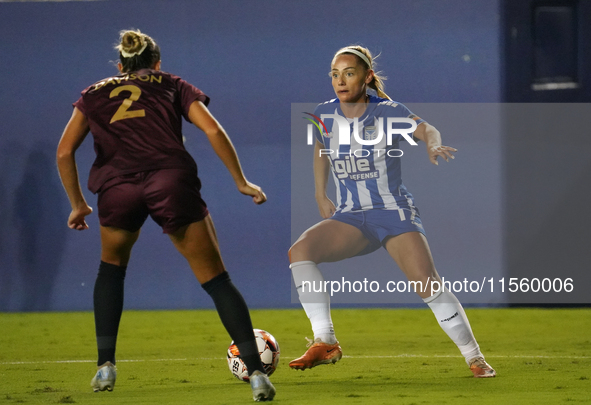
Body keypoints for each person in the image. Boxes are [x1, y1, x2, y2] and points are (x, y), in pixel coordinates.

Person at [56, 29, 276, 401]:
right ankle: (257, 374)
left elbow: (64, 152)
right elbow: (212, 128)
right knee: (217, 280)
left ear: (121, 65)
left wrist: (78, 203)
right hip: (169, 181)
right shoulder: (171, 83)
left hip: (117, 188)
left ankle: (105, 367)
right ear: (156, 63)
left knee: (111, 269)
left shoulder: (93, 94)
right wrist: (240, 180)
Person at [288, 45, 496, 378]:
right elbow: (320, 148)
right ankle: (325, 340)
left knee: (427, 283)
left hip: (392, 213)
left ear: (367, 77)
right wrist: (319, 192)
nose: (340, 80)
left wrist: (433, 143)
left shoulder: (387, 112)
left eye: (349, 73)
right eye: (334, 74)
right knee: (299, 251)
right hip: (351, 216)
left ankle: (475, 358)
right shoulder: (323, 113)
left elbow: (426, 128)